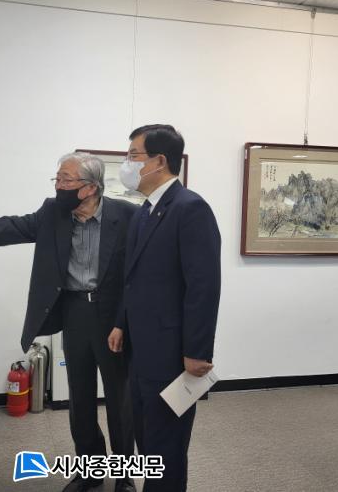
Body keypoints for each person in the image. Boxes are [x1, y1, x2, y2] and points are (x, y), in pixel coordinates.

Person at [0, 152, 138, 492]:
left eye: (66, 179)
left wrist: (126, 320)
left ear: (89, 187)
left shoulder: (128, 215)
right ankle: (91, 470)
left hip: (113, 318)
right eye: (57, 178)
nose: (58, 185)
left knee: (120, 399)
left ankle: (125, 475)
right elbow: (14, 226)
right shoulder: (53, 212)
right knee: (80, 398)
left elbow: (139, 275)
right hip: (74, 313)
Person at [109, 125, 221, 492]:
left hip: (172, 352)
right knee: (147, 437)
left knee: (166, 444)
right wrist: (121, 322)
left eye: (134, 156)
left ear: (159, 161)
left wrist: (197, 352)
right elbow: (133, 278)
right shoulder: (145, 211)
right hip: (140, 347)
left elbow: (203, 287)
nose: (128, 164)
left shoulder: (190, 209)